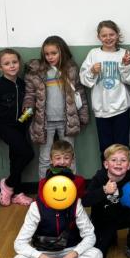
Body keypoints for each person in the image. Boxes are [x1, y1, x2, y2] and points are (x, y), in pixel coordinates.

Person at [11, 167, 103, 258]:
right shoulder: (36, 207)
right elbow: (19, 243)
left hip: (69, 250)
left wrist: (71, 256)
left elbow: (90, 236)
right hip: (43, 252)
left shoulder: (76, 204)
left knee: (97, 255)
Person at [23, 36, 89, 178]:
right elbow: (30, 94)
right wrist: (27, 110)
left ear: (62, 52)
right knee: (45, 158)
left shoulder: (71, 69)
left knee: (69, 158)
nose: (50, 57)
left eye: (54, 53)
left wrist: (83, 116)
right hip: (44, 122)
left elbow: (80, 93)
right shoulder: (36, 71)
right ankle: (44, 189)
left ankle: (71, 189)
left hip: (67, 121)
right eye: (47, 54)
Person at [82, 144, 130, 258]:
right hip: (104, 219)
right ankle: (106, 234)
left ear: (129, 165)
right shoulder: (99, 178)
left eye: (123, 160)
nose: (118, 163)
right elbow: (85, 200)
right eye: (113, 160)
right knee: (99, 255)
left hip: (123, 216)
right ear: (106, 164)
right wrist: (104, 190)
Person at [0, 48, 34, 207]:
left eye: (14, 62)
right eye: (7, 63)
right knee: (27, 153)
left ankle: (17, 193)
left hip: (20, 125)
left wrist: (25, 119)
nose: (11, 66)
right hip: (4, 126)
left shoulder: (22, 83)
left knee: (16, 158)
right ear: (0, 67)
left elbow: (30, 106)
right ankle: (8, 184)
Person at [79, 21, 130, 158]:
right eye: (104, 35)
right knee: (105, 147)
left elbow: (129, 80)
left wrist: (126, 65)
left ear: (117, 35)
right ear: (99, 37)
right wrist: (92, 71)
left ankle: (123, 178)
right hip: (101, 109)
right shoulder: (93, 54)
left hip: (121, 107)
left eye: (111, 34)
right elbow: (84, 80)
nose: (108, 38)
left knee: (123, 146)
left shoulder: (124, 54)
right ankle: (107, 177)